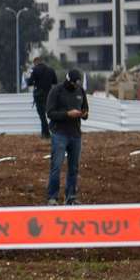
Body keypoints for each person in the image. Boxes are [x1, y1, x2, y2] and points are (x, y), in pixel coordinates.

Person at [46, 68, 89, 205]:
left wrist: (83, 114)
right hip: (60, 134)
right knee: (56, 166)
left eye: (77, 84)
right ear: (67, 80)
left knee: (73, 168)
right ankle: (52, 197)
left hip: (75, 134)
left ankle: (71, 196)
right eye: (73, 84)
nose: (75, 87)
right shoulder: (56, 91)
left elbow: (86, 110)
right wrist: (67, 114)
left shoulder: (80, 91)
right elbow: (50, 113)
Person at [27, 56, 58, 139]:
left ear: (35, 62)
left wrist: (32, 80)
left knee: (42, 116)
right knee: (51, 114)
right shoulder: (51, 70)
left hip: (39, 95)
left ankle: (46, 133)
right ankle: (52, 131)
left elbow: (29, 82)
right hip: (50, 95)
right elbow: (55, 82)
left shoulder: (35, 70)